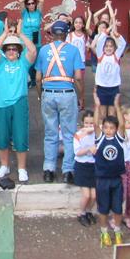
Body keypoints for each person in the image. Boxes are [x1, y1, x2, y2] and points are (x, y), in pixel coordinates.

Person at [36, 19, 85, 184]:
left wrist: (39, 94)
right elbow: (78, 77)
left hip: (48, 93)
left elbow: (37, 78)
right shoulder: (73, 50)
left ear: (52, 34)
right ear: (66, 34)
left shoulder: (43, 50)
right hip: (67, 92)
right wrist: (82, 95)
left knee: (50, 133)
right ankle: (68, 171)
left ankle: (48, 169)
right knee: (69, 134)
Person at [0, 28, 37, 183]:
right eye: (8, 48)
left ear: (18, 51)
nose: (11, 51)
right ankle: (4, 166)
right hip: (1, 104)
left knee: (20, 136)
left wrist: (20, 34)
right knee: (1, 136)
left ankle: (22, 168)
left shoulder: (23, 62)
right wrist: (4, 34)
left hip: (19, 103)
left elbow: (33, 50)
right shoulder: (0, 62)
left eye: (14, 49)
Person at [92, 115, 126, 246]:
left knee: (118, 209)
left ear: (116, 129)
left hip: (116, 179)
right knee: (103, 209)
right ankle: (104, 232)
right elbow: (95, 124)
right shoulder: (100, 139)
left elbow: (122, 124)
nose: (108, 130)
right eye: (105, 127)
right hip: (102, 180)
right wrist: (98, 106)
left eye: (111, 128)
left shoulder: (119, 139)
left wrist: (117, 106)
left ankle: (117, 231)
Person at [72, 111, 98, 227]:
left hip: (93, 166)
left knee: (94, 195)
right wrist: (89, 149)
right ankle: (81, 213)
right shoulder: (78, 135)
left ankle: (88, 211)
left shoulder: (97, 134)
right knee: (86, 195)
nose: (89, 126)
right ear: (83, 123)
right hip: (82, 166)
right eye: (86, 123)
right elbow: (77, 152)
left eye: (91, 123)